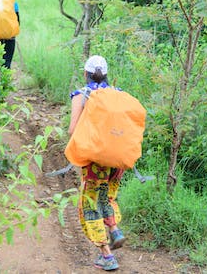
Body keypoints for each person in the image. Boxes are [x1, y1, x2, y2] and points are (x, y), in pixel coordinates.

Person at [69, 55, 126, 271]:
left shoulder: (81, 95)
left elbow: (73, 130)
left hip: (95, 161)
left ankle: (107, 255)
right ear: (107, 74)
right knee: (107, 196)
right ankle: (114, 230)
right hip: (117, 159)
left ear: (86, 74)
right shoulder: (118, 94)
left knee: (90, 204)